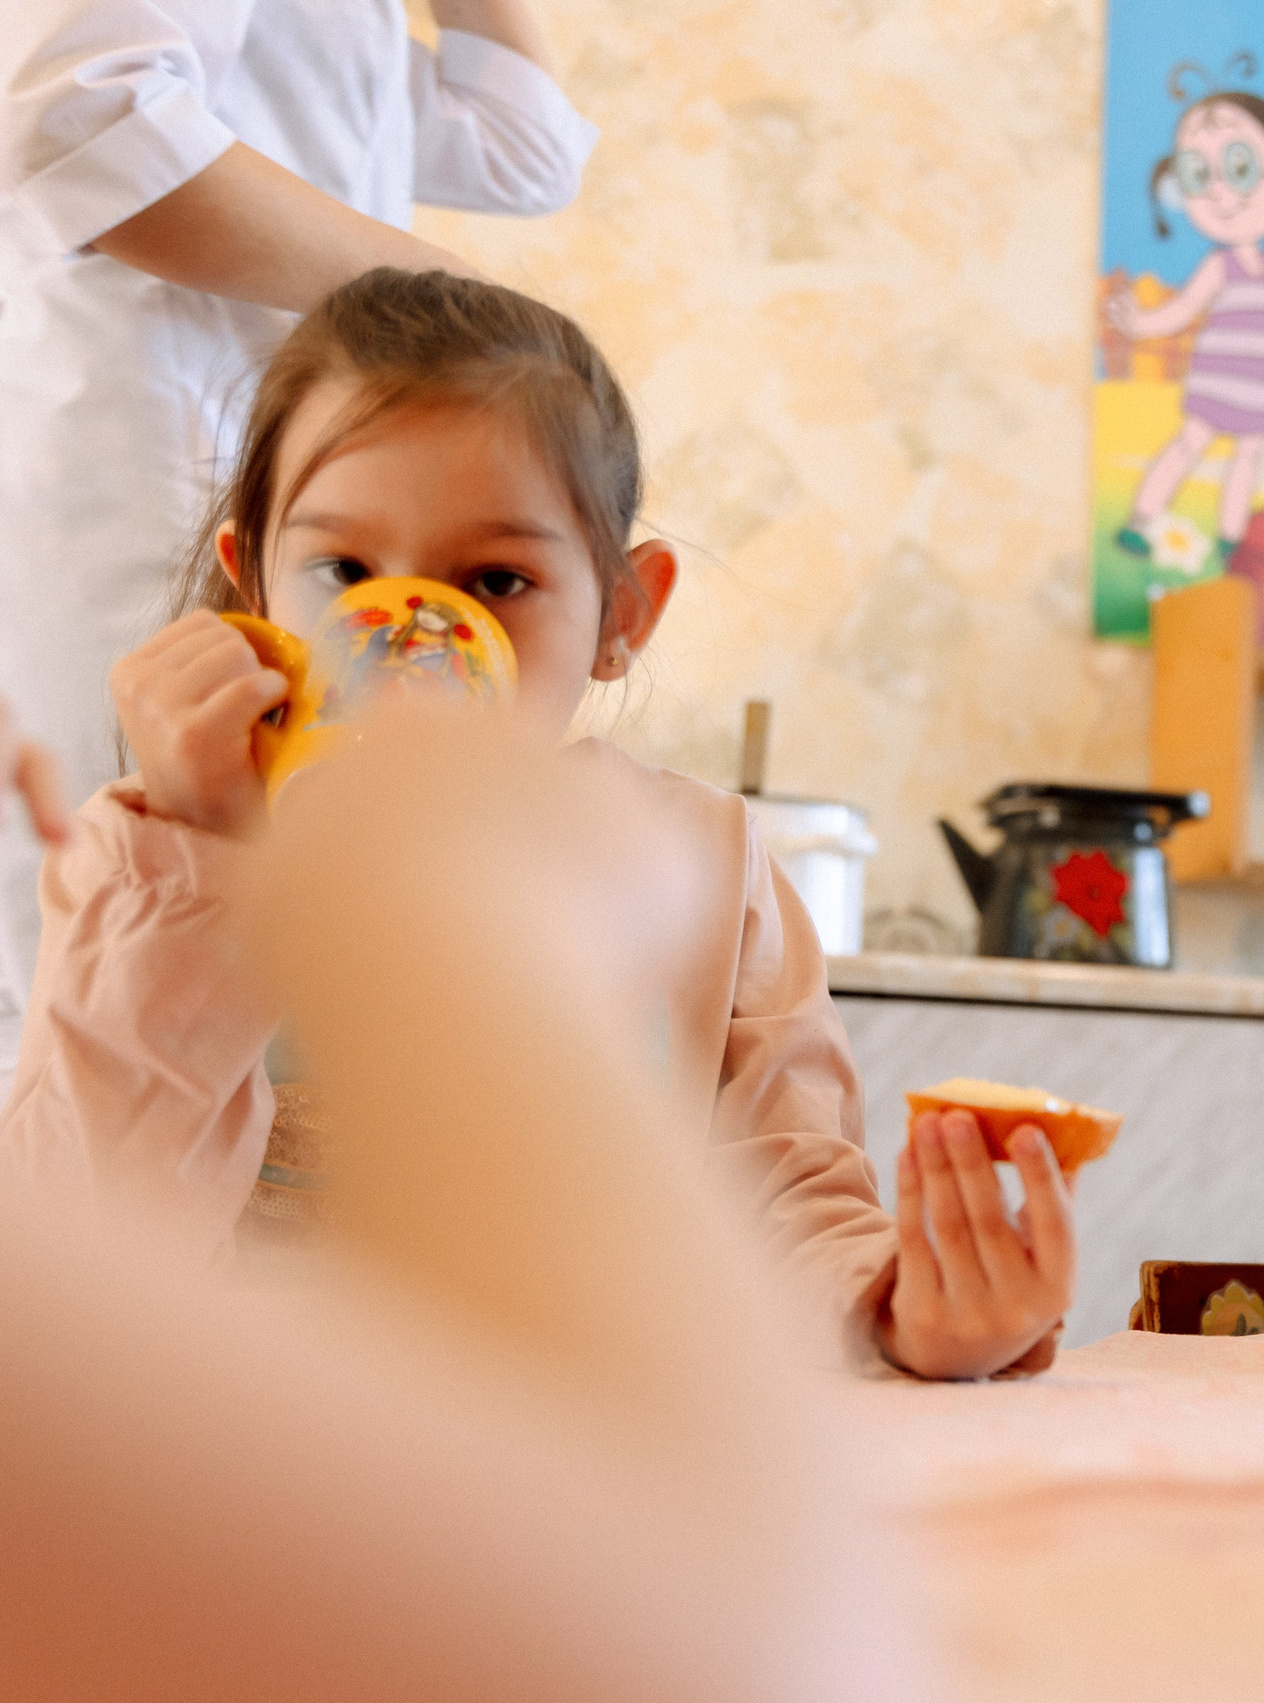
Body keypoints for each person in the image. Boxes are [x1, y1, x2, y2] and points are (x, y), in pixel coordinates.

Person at [0, 269, 1073, 1381]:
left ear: (622, 613)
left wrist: (904, 1306)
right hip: (259, 1476)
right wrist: (195, 851)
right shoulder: (159, 861)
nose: (407, 639)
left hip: (572, 1475)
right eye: (343, 573)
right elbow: (77, 1244)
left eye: (497, 579)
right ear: (256, 588)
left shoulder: (697, 868)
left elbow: (782, 1205)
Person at [0, 0, 598, 1086]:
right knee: (108, 988)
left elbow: (525, 148)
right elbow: (79, 116)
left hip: (294, 501)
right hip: (147, 488)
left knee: (266, 1015)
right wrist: (450, 307)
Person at [1102, 57, 1264, 574]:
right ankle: (1142, 518)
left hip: (1261, 383)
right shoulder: (1222, 263)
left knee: (1248, 457)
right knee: (1191, 441)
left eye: (1240, 168)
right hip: (1220, 376)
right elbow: (1185, 309)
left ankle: (1232, 540)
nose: (1219, 192)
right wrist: (1141, 324)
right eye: (1197, 174)